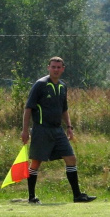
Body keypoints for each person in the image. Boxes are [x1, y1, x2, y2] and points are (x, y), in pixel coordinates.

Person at [20, 56, 96, 204]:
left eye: (58, 67)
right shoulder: (40, 85)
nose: (56, 70)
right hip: (41, 129)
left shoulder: (62, 86)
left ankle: (77, 195)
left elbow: (64, 109)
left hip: (58, 130)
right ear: (48, 68)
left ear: (63, 69)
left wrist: (69, 127)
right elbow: (28, 108)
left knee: (71, 158)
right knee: (36, 162)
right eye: (53, 67)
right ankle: (31, 197)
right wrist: (24, 130)